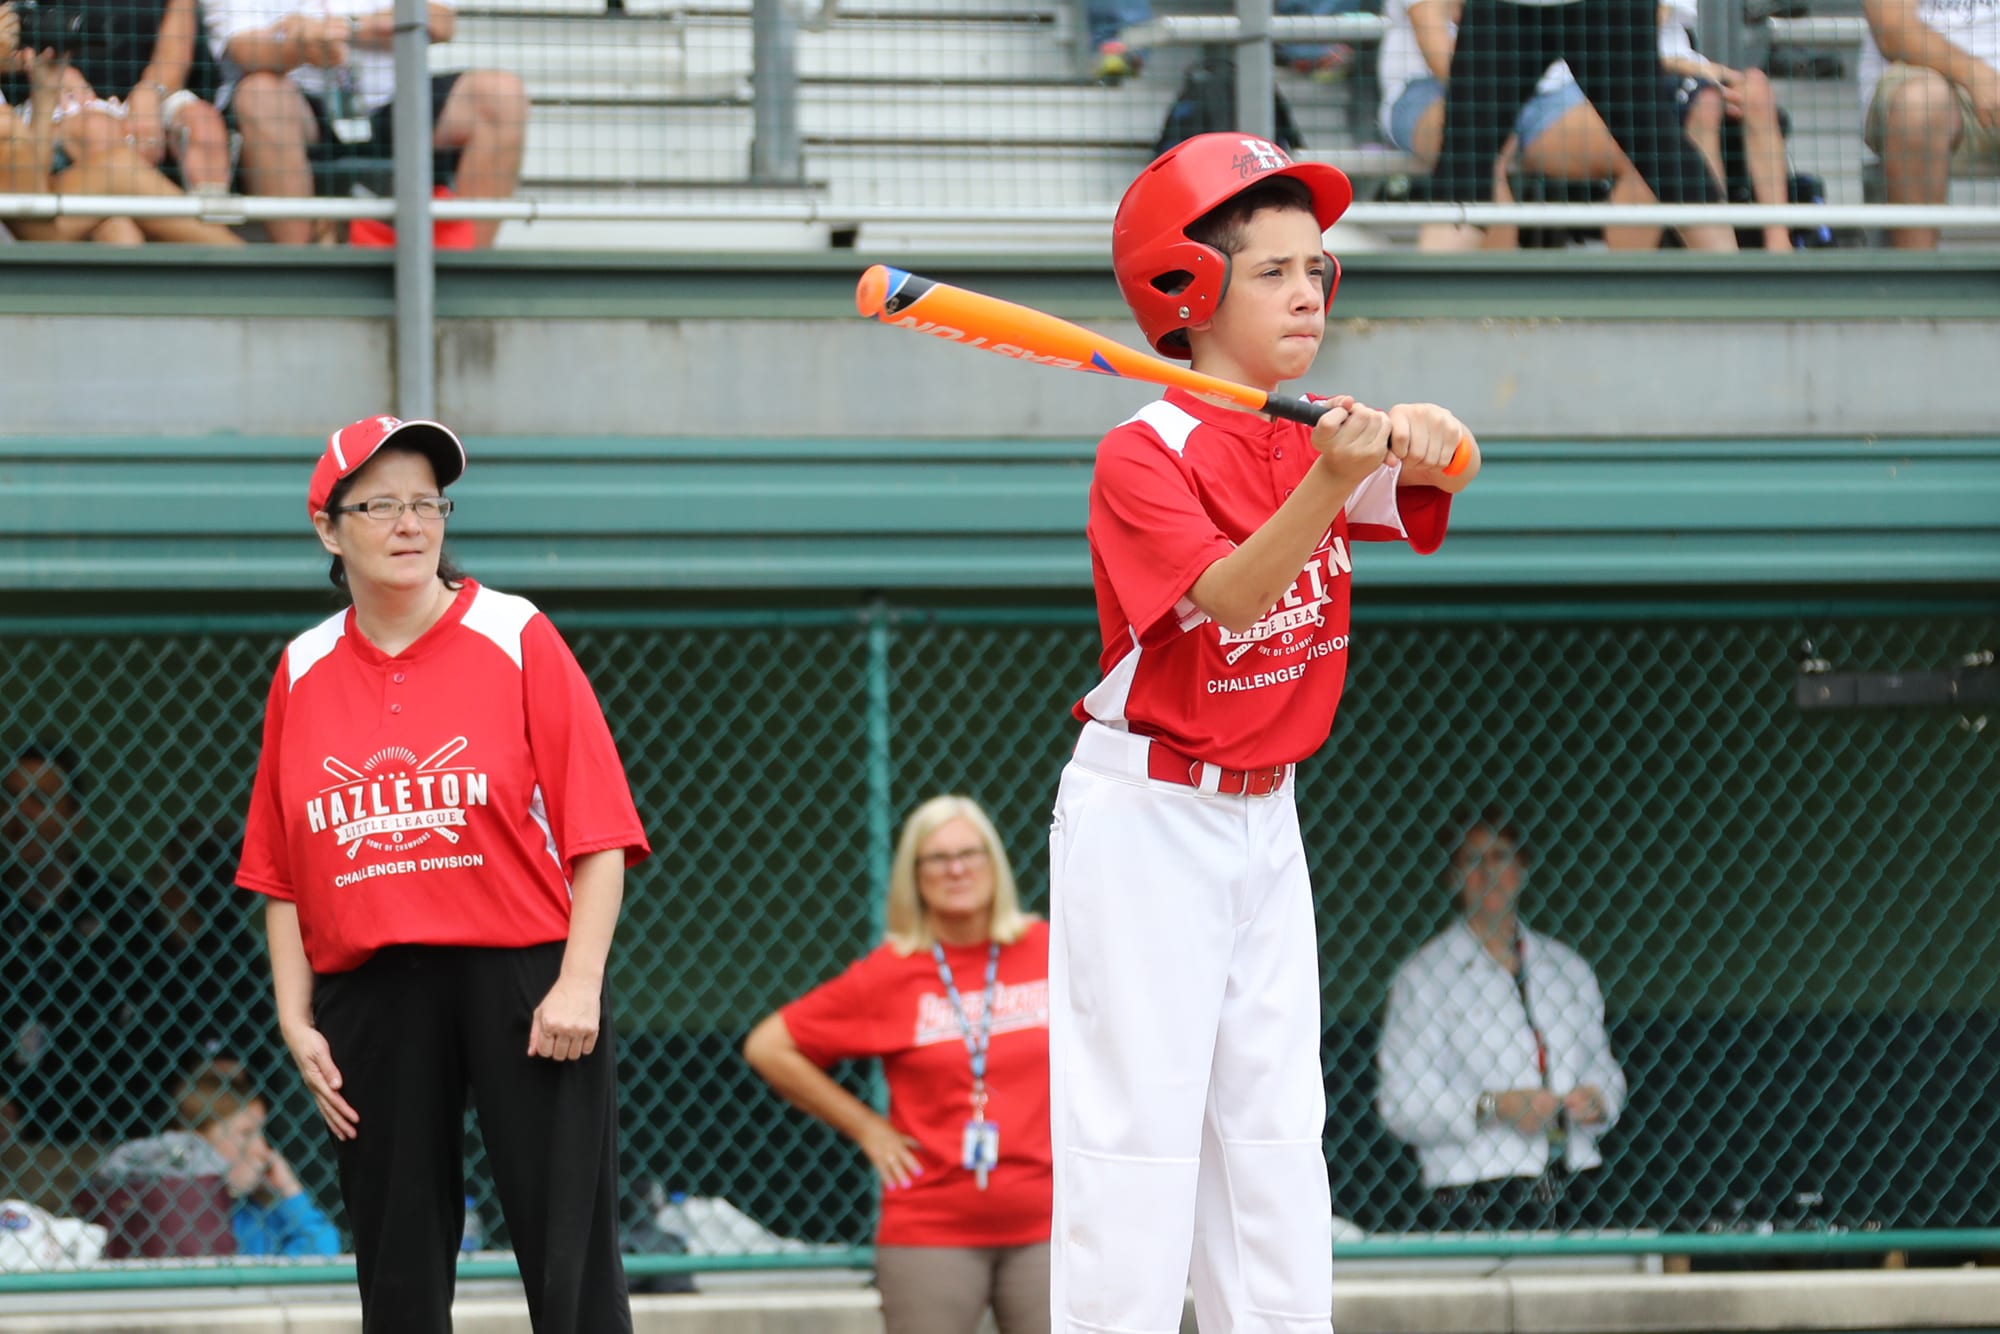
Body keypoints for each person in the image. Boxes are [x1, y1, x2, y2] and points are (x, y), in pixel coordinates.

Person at [1049, 133, 1480, 1333]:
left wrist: (1432, 434)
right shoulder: (1143, 449)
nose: (1309, 291)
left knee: (1276, 1133)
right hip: (1147, 813)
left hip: (1264, 811)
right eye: (1275, 270)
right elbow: (1230, 597)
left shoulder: (1314, 425)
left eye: (1318, 269)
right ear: (1186, 292)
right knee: (1135, 1141)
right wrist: (1325, 478)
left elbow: (1453, 470)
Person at [235, 414, 650, 1333]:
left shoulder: (516, 631)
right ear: (328, 528)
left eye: (428, 502)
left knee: (568, 1254)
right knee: (396, 1260)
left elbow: (601, 836)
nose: (410, 524)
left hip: (526, 978)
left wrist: (579, 982)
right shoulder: (301, 668)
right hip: (372, 990)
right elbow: (280, 870)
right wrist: (292, 1016)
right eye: (380, 504)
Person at [742, 795, 1050, 1334]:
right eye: (936, 858)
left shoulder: (1052, 952)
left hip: (1049, 1221)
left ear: (994, 864)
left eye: (969, 853)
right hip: (931, 1227)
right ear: (914, 876)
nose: (956, 869)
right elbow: (770, 1046)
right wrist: (868, 1129)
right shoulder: (890, 974)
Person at [1375, 807, 1626, 1230]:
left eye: (1500, 857)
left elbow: (1606, 1070)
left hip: (1576, 1178)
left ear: (1522, 868)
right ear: (1453, 877)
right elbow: (1399, 1103)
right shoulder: (1425, 977)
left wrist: (1597, 1100)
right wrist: (1494, 1107)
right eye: (1473, 860)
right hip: (1475, 1185)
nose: (1489, 871)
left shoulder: (1566, 969)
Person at [203, 0, 526, 246]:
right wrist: (299, 48)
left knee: (501, 94)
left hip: (394, 102)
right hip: (299, 103)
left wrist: (350, 27)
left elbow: (440, 20)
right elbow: (242, 47)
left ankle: (467, 267)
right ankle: (302, 267)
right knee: (260, 93)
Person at [1425, 0, 1737, 250]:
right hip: (1508, 8)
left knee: (1657, 146)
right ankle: (1425, 308)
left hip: (1605, 9)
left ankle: (1734, 291)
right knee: (1463, 162)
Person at [1379, 0, 1665, 250]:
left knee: (1641, 152)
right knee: (1481, 146)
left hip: (1548, 94)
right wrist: (1494, 106)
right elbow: (1437, 48)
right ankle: (1497, 300)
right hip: (1427, 89)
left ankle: (1622, 291)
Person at [1, 743, 154, 1141]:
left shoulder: (123, 912)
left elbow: (150, 1026)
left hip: (98, 1129)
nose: (19, 815)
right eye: (10, 799)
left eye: (39, 800)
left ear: (74, 820)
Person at [0, 14, 242, 243]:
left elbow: (34, 189)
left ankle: (249, 266)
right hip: (27, 224)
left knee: (118, 215)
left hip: (31, 215)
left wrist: (44, 94)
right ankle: (251, 270)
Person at [1860, 0, 2000, 250]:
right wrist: (1974, 74)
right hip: (1921, 76)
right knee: (1920, 105)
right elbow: (1893, 30)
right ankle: (1916, 276)